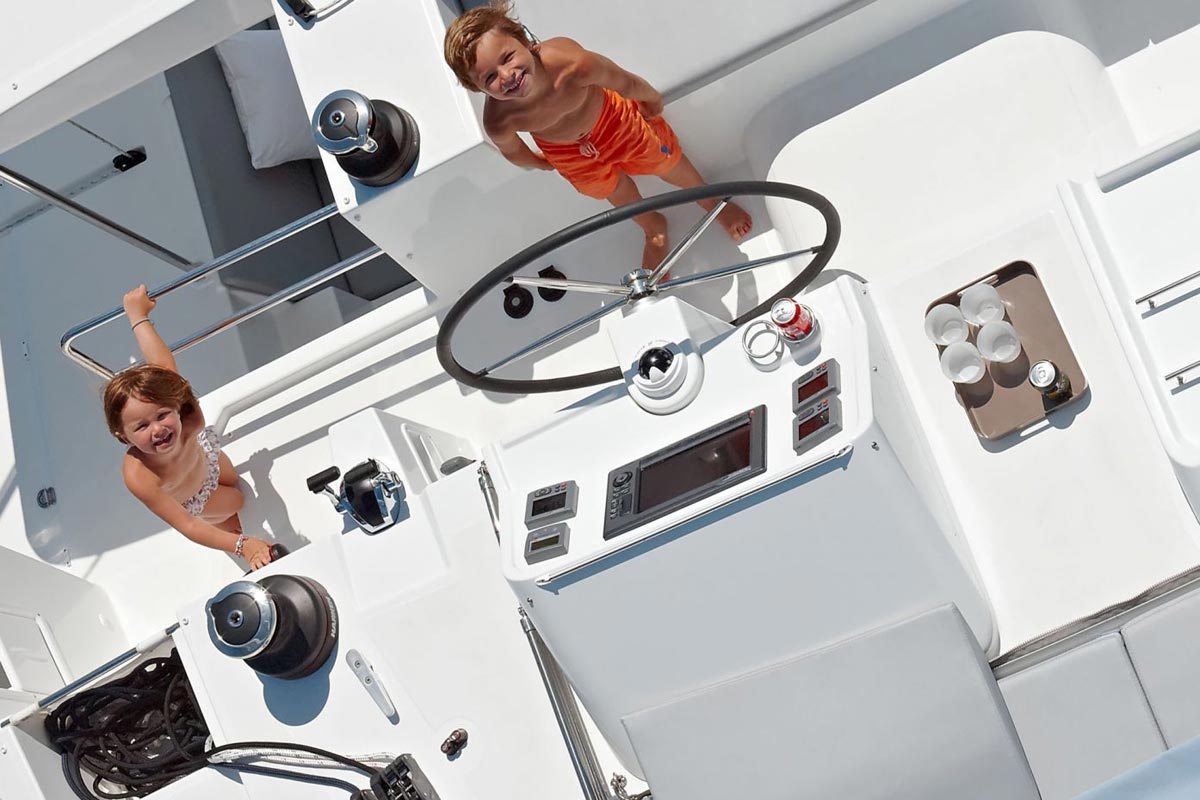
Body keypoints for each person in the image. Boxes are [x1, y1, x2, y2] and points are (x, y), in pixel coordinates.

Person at [444, 1, 752, 272]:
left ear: (525, 41)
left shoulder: (571, 65)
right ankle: (652, 226)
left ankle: (710, 201)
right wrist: (540, 162)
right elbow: (512, 150)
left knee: (663, 160)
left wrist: (650, 98)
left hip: (612, 120)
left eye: (508, 57)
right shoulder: (500, 120)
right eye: (489, 77)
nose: (506, 75)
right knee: (613, 189)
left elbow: (621, 80)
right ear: (478, 89)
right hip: (566, 153)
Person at [102, 285, 273, 569]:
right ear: (123, 437)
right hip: (196, 497)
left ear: (174, 404)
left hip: (206, 456)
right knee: (236, 502)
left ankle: (234, 529)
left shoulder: (181, 405)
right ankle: (231, 534)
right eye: (142, 426)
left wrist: (138, 316)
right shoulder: (139, 475)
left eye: (162, 415)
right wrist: (243, 545)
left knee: (233, 479)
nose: (157, 429)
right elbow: (188, 525)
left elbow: (161, 361)